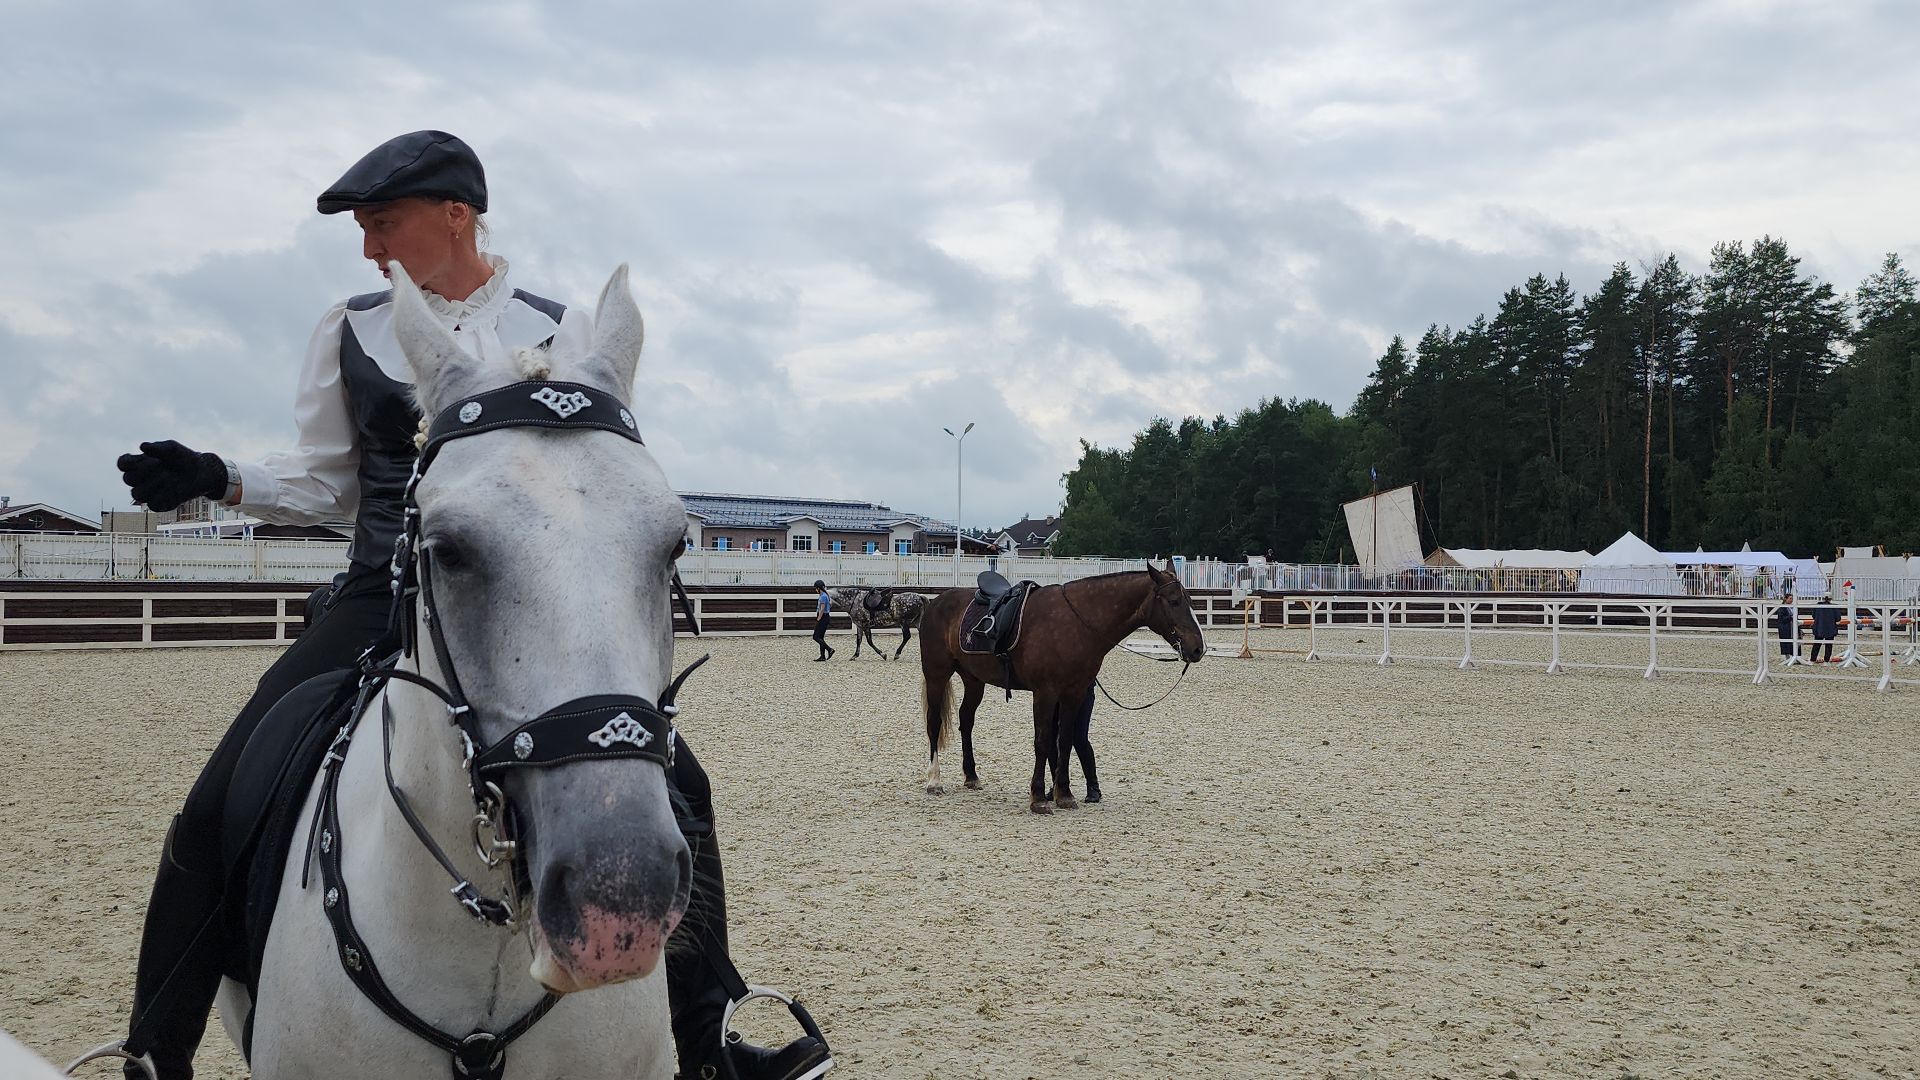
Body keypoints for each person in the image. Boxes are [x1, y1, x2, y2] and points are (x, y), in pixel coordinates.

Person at [111, 131, 831, 1080]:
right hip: (386, 589)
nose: (370, 247)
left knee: (678, 781)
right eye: (364, 228)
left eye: (383, 223)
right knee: (222, 794)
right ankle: (153, 1052)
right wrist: (224, 477)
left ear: (457, 214)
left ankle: (708, 1040)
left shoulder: (563, 326)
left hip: (536, 594)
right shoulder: (353, 326)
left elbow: (595, 485)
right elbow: (334, 483)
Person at [812, 580, 835, 661]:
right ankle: (822, 656)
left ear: (819, 588)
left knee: (815, 636)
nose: (815, 590)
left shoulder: (823, 596)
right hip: (825, 617)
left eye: (816, 588)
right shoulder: (825, 595)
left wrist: (818, 618)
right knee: (821, 637)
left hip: (823, 617)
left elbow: (822, 609)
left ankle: (829, 649)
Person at [1774, 593, 1798, 661]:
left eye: (1792, 599)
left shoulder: (1791, 607)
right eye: (1790, 598)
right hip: (1784, 627)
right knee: (1786, 641)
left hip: (1790, 626)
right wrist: (1790, 617)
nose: (1791, 600)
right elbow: (1781, 618)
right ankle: (1787, 656)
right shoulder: (1782, 608)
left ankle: (1793, 655)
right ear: (1785, 599)